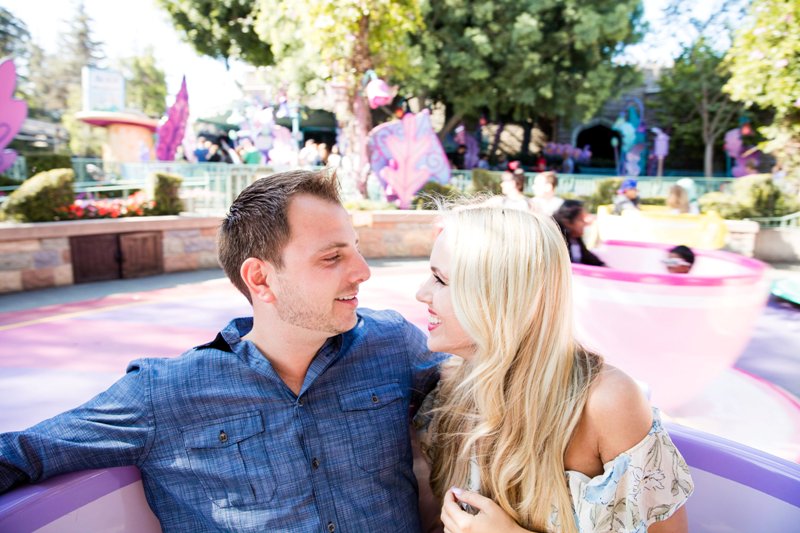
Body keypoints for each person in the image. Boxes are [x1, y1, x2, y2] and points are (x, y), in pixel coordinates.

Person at [0, 170, 444, 532]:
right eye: (332, 258)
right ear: (261, 278)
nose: (362, 272)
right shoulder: (165, 392)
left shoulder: (391, 342)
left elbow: (491, 388)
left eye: (357, 251)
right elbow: (21, 453)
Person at [414, 205, 693, 533]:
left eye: (440, 279)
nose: (422, 294)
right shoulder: (451, 386)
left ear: (502, 297)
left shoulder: (605, 402)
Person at [553, 200, 606, 267]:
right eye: (581, 219)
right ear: (567, 222)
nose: (585, 223)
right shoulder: (557, 242)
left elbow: (587, 257)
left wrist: (603, 266)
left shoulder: (575, 239)